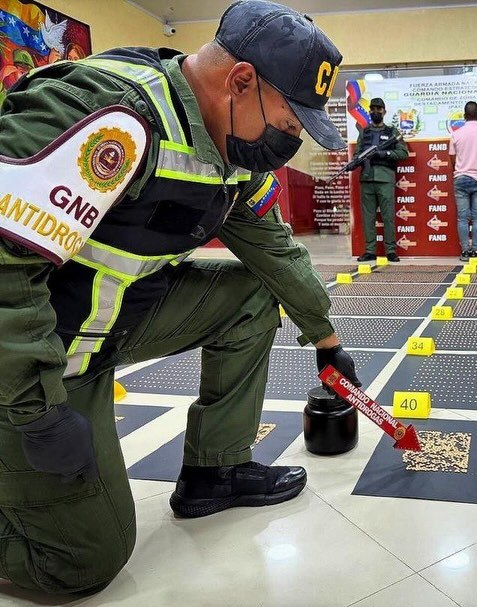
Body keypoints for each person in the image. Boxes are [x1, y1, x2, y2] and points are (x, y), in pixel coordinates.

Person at [0, 0, 361, 596]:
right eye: (291, 121)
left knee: (251, 294)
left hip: (106, 323)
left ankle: (215, 472)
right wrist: (35, 410)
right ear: (240, 81)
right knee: (80, 562)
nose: (291, 139)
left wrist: (326, 340)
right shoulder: (105, 116)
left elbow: (272, 248)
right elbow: (5, 268)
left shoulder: (230, 148)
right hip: (32, 357)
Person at [354, 97, 408, 262]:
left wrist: (384, 153)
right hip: (367, 179)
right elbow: (357, 154)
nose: (376, 111)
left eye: (379, 109)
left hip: (385, 179)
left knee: (388, 216)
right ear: (369, 111)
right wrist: (356, 161)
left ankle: (390, 250)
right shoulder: (364, 132)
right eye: (373, 109)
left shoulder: (392, 132)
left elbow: (403, 153)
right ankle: (370, 251)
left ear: (384, 111)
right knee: (368, 217)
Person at [449, 101, 477, 262]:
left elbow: (452, 159)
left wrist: (462, 169)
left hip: (461, 178)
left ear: (464, 116)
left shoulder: (456, 134)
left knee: (462, 218)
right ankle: (475, 251)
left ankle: (465, 252)